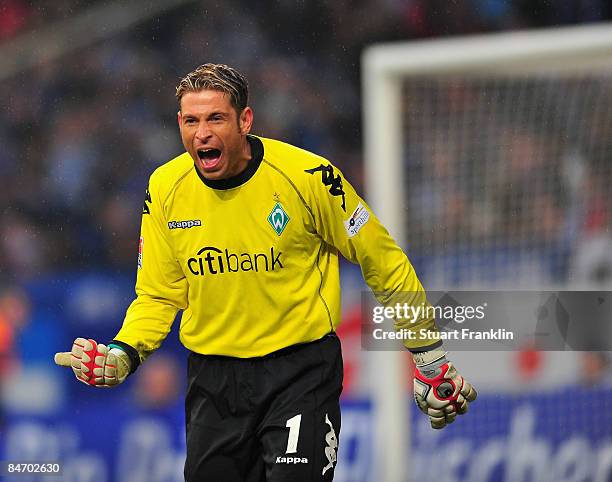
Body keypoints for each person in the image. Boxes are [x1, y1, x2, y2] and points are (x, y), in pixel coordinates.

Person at [55, 63, 476, 481]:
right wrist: (124, 353)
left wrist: (428, 353)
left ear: (245, 120)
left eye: (215, 118)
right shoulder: (165, 188)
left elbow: (381, 260)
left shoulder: (309, 178)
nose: (201, 133)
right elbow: (158, 294)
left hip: (299, 372)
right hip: (214, 381)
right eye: (190, 120)